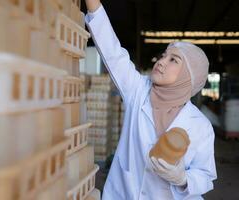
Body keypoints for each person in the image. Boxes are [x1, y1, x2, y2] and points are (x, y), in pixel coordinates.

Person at [84, 1, 217, 199]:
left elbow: (205, 175)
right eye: (163, 56)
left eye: (173, 60)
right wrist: (93, 4)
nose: (161, 62)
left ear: (189, 77)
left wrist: (183, 179)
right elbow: (113, 54)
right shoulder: (138, 91)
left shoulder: (201, 126)